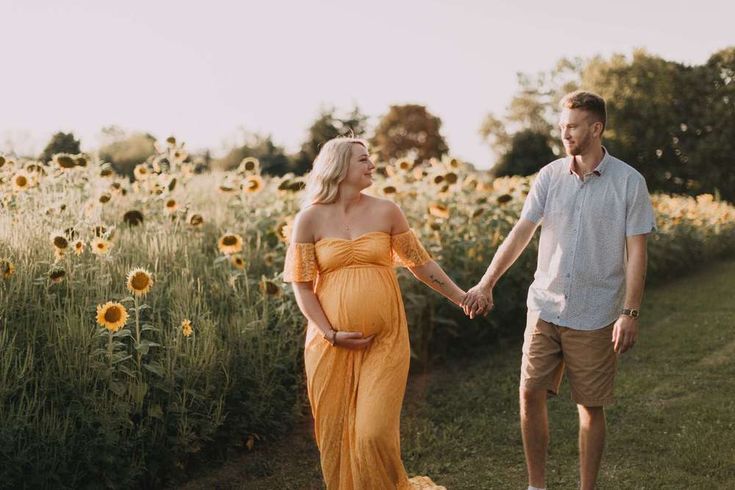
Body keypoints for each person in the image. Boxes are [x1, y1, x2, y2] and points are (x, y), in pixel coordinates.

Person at [462, 90, 656, 490]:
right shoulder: (549, 176)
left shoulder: (629, 182)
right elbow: (521, 233)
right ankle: (537, 486)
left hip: (597, 311)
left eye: (572, 126)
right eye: (562, 125)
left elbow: (637, 252)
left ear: (596, 128)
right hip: (545, 306)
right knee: (530, 392)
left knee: (590, 406)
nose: (563, 132)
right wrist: (487, 282)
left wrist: (630, 311)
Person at [283, 136, 464, 489]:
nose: (372, 165)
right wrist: (330, 334)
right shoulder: (309, 219)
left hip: (385, 340)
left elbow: (420, 263)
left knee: (372, 434)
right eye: (363, 160)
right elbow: (302, 286)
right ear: (338, 167)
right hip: (329, 345)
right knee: (335, 438)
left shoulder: (387, 211)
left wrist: (461, 297)